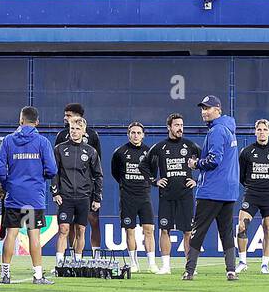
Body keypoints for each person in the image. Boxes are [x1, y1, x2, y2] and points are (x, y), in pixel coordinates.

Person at [182, 96, 241, 281]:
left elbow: (214, 160)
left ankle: (189, 271)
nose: (204, 112)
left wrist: (195, 163)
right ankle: (231, 270)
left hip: (211, 190)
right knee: (226, 232)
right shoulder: (229, 129)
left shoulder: (216, 130)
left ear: (218, 109)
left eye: (207, 108)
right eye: (202, 109)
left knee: (198, 231)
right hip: (229, 191)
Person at [0, 107, 57, 285]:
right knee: (34, 235)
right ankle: (37, 276)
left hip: (14, 196)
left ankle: (5, 275)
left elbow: (0, 170)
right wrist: (39, 178)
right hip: (33, 198)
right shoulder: (42, 142)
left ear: (21, 120)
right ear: (37, 122)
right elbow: (52, 170)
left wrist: (10, 185)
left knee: (11, 235)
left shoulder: (8, 141)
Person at [149, 114, 202, 275]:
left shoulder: (190, 146)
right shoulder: (160, 147)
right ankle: (166, 266)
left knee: (188, 231)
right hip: (166, 196)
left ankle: (189, 266)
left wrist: (198, 181)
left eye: (181, 125)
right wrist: (154, 181)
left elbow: (207, 163)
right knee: (165, 230)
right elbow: (145, 165)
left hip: (185, 196)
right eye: (177, 125)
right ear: (169, 127)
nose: (180, 128)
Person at [52, 115, 102, 264]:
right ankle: (59, 264)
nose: (74, 131)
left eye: (77, 129)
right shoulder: (59, 149)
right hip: (65, 197)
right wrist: (55, 192)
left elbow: (98, 175)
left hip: (83, 197)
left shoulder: (91, 151)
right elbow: (54, 172)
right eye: (72, 128)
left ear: (84, 131)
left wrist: (97, 198)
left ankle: (77, 262)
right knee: (63, 230)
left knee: (81, 230)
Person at [237, 119, 269, 274]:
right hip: (251, 194)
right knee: (242, 226)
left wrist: (268, 186)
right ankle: (243, 261)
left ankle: (265, 265)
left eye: (265, 129)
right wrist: (253, 186)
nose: (262, 132)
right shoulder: (246, 152)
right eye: (259, 129)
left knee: (268, 229)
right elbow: (241, 176)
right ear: (255, 131)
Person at [111, 122, 158, 273]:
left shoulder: (150, 152)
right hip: (127, 197)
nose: (136, 135)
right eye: (133, 133)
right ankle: (134, 263)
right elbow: (115, 173)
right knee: (129, 231)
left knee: (149, 229)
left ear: (143, 135)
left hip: (144, 196)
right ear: (128, 134)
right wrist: (126, 184)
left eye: (138, 133)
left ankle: (151, 263)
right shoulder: (120, 152)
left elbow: (153, 173)